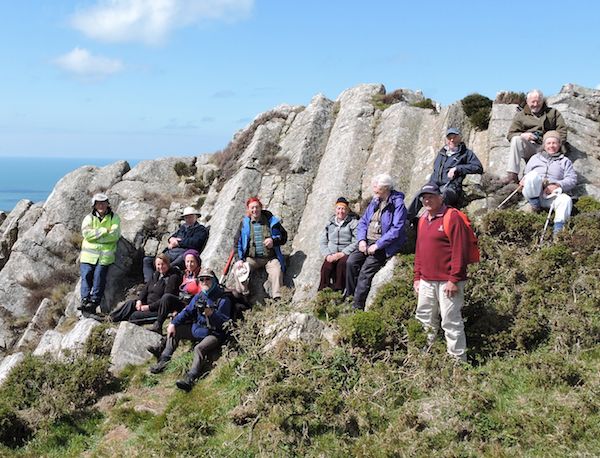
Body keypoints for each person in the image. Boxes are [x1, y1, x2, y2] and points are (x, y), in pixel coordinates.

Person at [413, 182, 472, 363]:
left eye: (431, 196)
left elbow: (459, 251)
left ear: (441, 197)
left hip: (448, 281)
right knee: (423, 319)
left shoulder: (452, 217)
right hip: (426, 281)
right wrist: (417, 277)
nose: (427, 200)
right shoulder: (423, 219)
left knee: (451, 321)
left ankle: (458, 364)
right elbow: (420, 250)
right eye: (424, 197)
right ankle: (423, 359)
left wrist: (454, 279)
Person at [148, 267, 232, 393]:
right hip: (198, 329)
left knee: (199, 348)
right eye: (202, 279)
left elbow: (225, 323)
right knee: (176, 330)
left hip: (214, 334)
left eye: (208, 279)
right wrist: (173, 323)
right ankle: (163, 361)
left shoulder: (223, 299)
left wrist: (212, 314)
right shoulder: (199, 296)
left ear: (214, 281)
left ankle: (190, 378)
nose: (204, 282)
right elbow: (186, 312)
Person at [345, 174, 407, 310]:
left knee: (365, 272)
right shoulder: (375, 201)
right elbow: (363, 222)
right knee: (351, 262)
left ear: (385, 188)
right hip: (367, 241)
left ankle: (357, 306)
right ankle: (349, 297)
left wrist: (378, 245)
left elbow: (396, 230)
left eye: (376, 186)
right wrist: (361, 240)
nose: (373, 189)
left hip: (383, 245)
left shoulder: (397, 204)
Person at [407, 128, 483, 221]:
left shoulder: (466, 153)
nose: (451, 140)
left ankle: (434, 221)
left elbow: (478, 167)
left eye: (454, 137)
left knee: (442, 196)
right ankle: (406, 220)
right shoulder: (442, 153)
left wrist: (457, 168)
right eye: (449, 137)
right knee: (420, 194)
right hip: (434, 186)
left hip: (451, 187)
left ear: (460, 138)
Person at [503, 89, 568, 184]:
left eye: (538, 101)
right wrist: (523, 135)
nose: (535, 104)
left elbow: (562, 131)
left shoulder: (553, 113)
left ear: (542, 101)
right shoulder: (520, 116)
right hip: (531, 147)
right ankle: (512, 175)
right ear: (527, 102)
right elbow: (510, 134)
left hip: (548, 149)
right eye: (532, 102)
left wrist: (553, 143)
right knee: (516, 139)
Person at [520, 131, 577, 235]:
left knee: (566, 200)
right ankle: (535, 206)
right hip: (534, 193)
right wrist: (524, 179)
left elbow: (572, 179)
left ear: (559, 145)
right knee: (532, 176)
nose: (551, 146)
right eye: (548, 143)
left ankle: (558, 231)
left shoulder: (565, 161)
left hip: (551, 196)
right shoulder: (535, 158)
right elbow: (526, 173)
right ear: (544, 145)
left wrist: (557, 185)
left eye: (554, 143)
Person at [233, 197, 287, 299]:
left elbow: (284, 237)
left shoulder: (271, 221)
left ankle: (277, 297)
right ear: (248, 210)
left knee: (277, 271)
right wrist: (239, 259)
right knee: (237, 268)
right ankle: (243, 294)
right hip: (252, 259)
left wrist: (273, 241)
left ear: (261, 207)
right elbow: (237, 243)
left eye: (257, 207)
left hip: (270, 258)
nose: (255, 210)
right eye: (252, 208)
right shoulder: (244, 224)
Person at [78, 193, 121, 314]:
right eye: (98, 203)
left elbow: (115, 235)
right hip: (88, 256)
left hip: (104, 257)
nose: (101, 205)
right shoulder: (89, 218)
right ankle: (85, 300)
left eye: (103, 203)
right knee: (86, 277)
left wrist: (96, 236)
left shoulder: (114, 218)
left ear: (108, 204)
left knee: (99, 278)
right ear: (94, 205)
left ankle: (94, 302)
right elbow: (86, 234)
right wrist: (104, 231)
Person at [109, 254, 181, 324]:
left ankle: (124, 323)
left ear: (168, 264)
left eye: (163, 264)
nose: (161, 267)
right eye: (158, 264)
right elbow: (145, 289)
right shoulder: (156, 274)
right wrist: (139, 300)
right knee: (130, 304)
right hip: (147, 303)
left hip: (157, 309)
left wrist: (149, 307)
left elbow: (165, 300)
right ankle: (112, 318)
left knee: (135, 315)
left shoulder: (172, 277)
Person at [142, 206, 208, 282]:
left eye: (191, 217)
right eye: (186, 217)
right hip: (169, 253)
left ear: (196, 217)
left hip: (183, 255)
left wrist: (178, 242)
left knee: (172, 265)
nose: (188, 219)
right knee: (147, 260)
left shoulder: (201, 229)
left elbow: (195, 242)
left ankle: (162, 279)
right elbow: (172, 237)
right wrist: (171, 239)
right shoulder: (183, 228)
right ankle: (149, 283)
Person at [147, 249, 203, 334]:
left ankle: (158, 324)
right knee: (168, 298)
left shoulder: (201, 276)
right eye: (187, 262)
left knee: (167, 297)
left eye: (192, 261)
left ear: (197, 262)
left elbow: (201, 294)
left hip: (191, 303)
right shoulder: (185, 274)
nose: (189, 264)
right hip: (182, 301)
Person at [318, 197, 358, 291]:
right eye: (339, 208)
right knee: (326, 268)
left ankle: (339, 290)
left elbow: (356, 241)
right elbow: (323, 241)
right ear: (335, 210)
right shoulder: (330, 223)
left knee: (342, 265)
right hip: (331, 253)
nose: (341, 211)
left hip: (345, 252)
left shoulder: (353, 223)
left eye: (343, 209)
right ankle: (323, 291)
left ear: (347, 210)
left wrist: (342, 253)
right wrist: (327, 255)